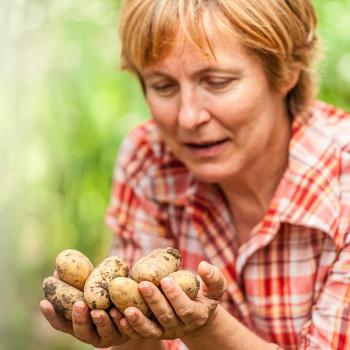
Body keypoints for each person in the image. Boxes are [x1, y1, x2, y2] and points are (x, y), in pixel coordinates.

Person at [40, 0, 350, 349]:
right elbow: (141, 333)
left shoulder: (343, 183)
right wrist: (126, 332)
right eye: (163, 87)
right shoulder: (150, 160)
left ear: (288, 71)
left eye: (217, 82)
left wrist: (206, 328)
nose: (188, 118)